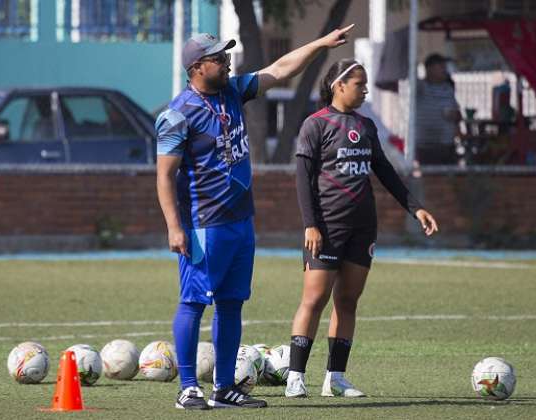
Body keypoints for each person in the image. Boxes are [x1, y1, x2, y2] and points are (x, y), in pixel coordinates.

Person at [155, 27, 355, 410]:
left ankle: (224, 387)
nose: (227, 61)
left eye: (226, 54)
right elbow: (164, 176)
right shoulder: (178, 114)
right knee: (194, 302)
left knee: (232, 303)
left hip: (240, 222)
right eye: (218, 57)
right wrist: (174, 226)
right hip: (202, 225)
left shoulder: (232, 91)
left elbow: (280, 69)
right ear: (197, 67)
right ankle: (187, 388)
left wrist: (319, 44)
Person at [284, 59, 439, 398]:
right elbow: (302, 181)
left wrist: (417, 208)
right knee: (314, 298)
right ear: (339, 85)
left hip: (363, 227)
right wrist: (310, 224)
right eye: (360, 84)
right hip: (326, 226)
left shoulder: (366, 126)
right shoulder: (315, 125)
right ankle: (295, 375)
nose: (365, 89)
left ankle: (335, 378)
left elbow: (384, 172)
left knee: (348, 301)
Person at [415, 53, 462, 164]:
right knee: (431, 178)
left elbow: (457, 113)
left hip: (447, 144)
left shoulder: (448, 88)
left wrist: (455, 115)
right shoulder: (421, 87)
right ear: (430, 69)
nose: (444, 70)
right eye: (441, 67)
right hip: (427, 144)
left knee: (448, 178)